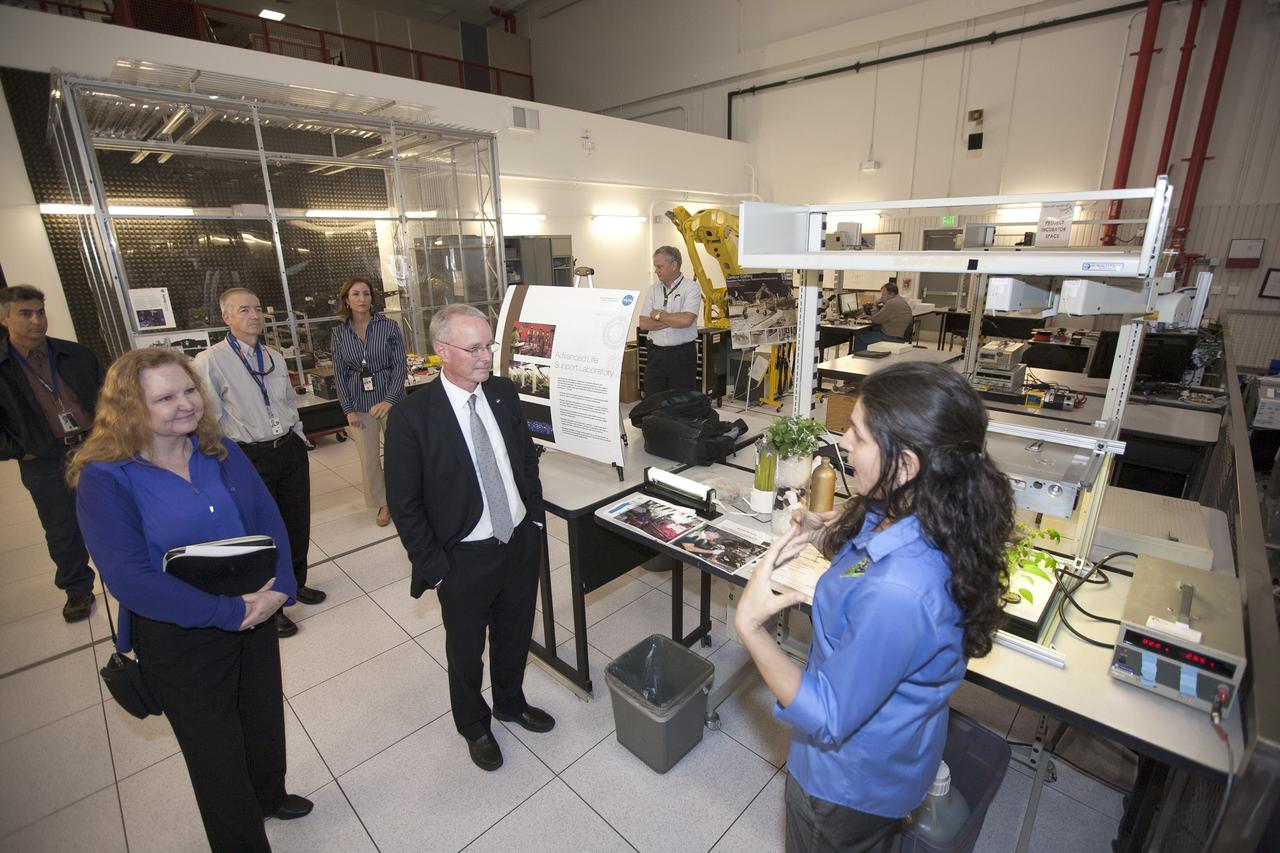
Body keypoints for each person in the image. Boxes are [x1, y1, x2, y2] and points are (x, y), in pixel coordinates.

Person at [733, 361, 1014, 852]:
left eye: (858, 436)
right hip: (894, 759)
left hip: (846, 786)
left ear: (905, 465)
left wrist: (752, 626)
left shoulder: (900, 591)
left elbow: (825, 713)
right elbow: (869, 549)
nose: (843, 442)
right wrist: (823, 533)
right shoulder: (926, 511)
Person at [69, 348, 313, 852]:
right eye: (165, 397)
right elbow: (129, 578)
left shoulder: (220, 448)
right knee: (213, 751)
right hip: (180, 631)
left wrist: (282, 589)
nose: (185, 404)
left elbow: (270, 522)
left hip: (256, 608)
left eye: (188, 391)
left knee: (262, 718)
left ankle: (269, 794)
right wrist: (229, 612)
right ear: (129, 408)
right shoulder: (105, 477)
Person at [385, 304, 554, 772]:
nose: (487, 357)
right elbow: (405, 504)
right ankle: (474, 725)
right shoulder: (412, 417)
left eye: (489, 345)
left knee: (515, 631)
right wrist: (436, 569)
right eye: (474, 348)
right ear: (442, 351)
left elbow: (525, 460)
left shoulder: (501, 392)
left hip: (518, 541)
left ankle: (510, 702)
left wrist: (534, 520)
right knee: (464, 650)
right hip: (463, 557)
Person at [195, 288, 325, 639]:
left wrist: (298, 435)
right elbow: (209, 417)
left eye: (257, 308)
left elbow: (285, 401)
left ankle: (294, 585)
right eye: (244, 310)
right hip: (248, 456)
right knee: (264, 532)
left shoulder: (273, 356)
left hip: (288, 449)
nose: (254, 315)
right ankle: (272, 604)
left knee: (297, 522)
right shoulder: (212, 361)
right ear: (226, 317)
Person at [0, 285, 102, 622]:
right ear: (4, 318)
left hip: (94, 448)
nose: (36, 320)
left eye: (40, 312)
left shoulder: (76, 354)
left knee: (122, 511)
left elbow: (108, 395)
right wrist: (23, 449)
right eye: (25, 314)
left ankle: (140, 570)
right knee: (62, 527)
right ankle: (77, 589)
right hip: (45, 458)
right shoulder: (4, 368)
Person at [330, 277, 407, 527]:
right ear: (346, 300)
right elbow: (339, 373)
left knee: (399, 454)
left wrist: (390, 399)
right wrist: (348, 409)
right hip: (359, 403)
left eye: (366, 294)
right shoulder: (339, 333)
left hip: (390, 398)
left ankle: (405, 498)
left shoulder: (388, 327)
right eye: (356, 294)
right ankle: (383, 503)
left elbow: (400, 366)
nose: (362, 299)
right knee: (369, 458)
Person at [637, 246, 702, 394]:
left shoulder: (691, 288)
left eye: (660, 266)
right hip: (656, 355)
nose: (656, 271)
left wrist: (660, 315)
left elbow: (686, 321)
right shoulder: (653, 289)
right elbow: (644, 323)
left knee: (680, 403)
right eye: (655, 267)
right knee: (653, 401)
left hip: (682, 356)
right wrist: (673, 319)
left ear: (674, 265)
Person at [852, 282, 913, 352]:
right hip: (899, 337)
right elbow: (880, 317)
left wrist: (875, 305)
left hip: (891, 338)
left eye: (883, 295)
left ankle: (860, 357)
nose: (881, 297)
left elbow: (876, 320)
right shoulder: (901, 300)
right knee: (869, 331)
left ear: (891, 294)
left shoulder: (891, 303)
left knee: (860, 335)